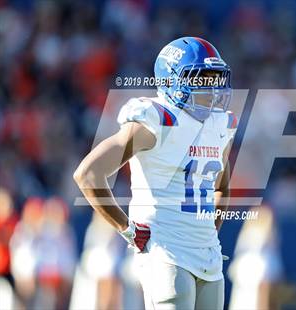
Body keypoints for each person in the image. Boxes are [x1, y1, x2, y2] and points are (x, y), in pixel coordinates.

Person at [73, 37, 236, 309]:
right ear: (173, 81)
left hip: (208, 255)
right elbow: (88, 173)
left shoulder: (220, 124)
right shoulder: (158, 119)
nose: (212, 89)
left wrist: (207, 232)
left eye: (215, 78)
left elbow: (221, 189)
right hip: (167, 251)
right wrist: (126, 228)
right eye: (202, 79)